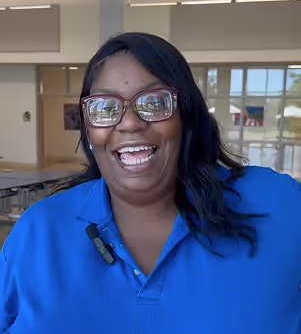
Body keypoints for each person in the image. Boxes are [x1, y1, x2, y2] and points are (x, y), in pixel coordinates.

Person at [0, 33, 301, 334]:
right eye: (105, 107)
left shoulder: (279, 205)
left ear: (187, 115)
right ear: (89, 129)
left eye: (154, 102)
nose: (130, 122)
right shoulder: (38, 231)